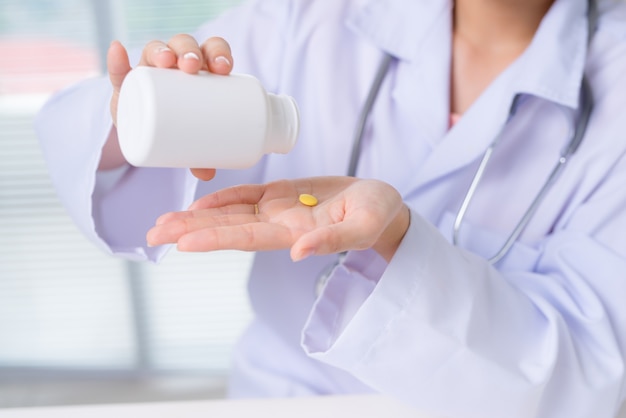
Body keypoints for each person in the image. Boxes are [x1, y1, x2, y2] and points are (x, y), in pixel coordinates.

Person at [35, 0, 626, 417]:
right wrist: (140, 116)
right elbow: (98, 145)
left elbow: (591, 371)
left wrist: (398, 245)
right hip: (282, 401)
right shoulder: (313, 19)